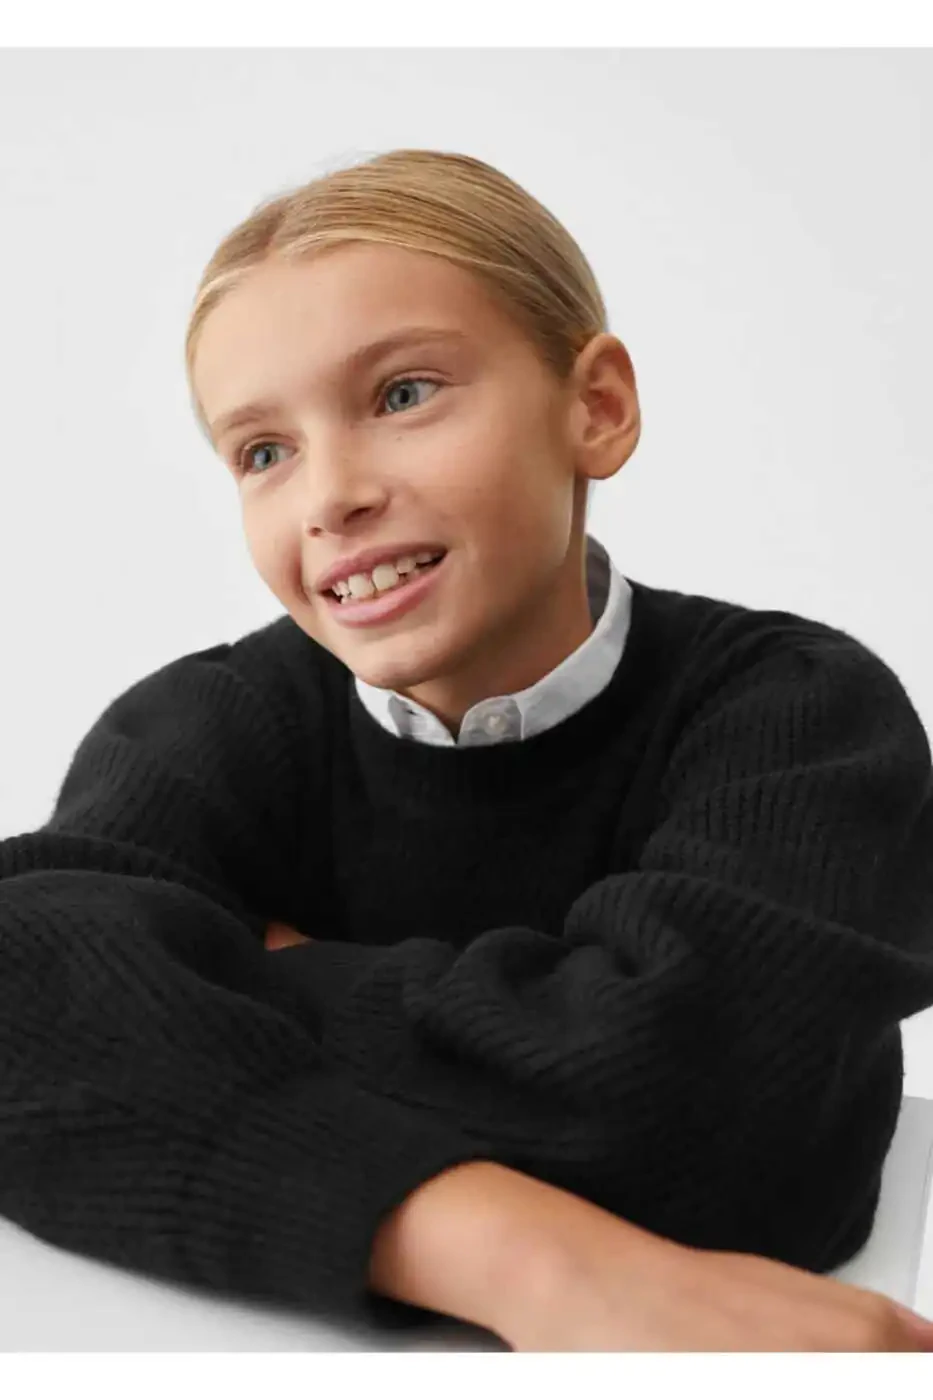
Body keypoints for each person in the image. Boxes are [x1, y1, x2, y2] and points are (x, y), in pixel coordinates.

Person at [1, 148, 932, 1353]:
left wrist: (226, 977)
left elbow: (701, 1116)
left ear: (596, 407)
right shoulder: (207, 720)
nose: (331, 495)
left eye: (403, 394)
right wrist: (530, 1260)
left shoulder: (800, 714)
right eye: (264, 452)